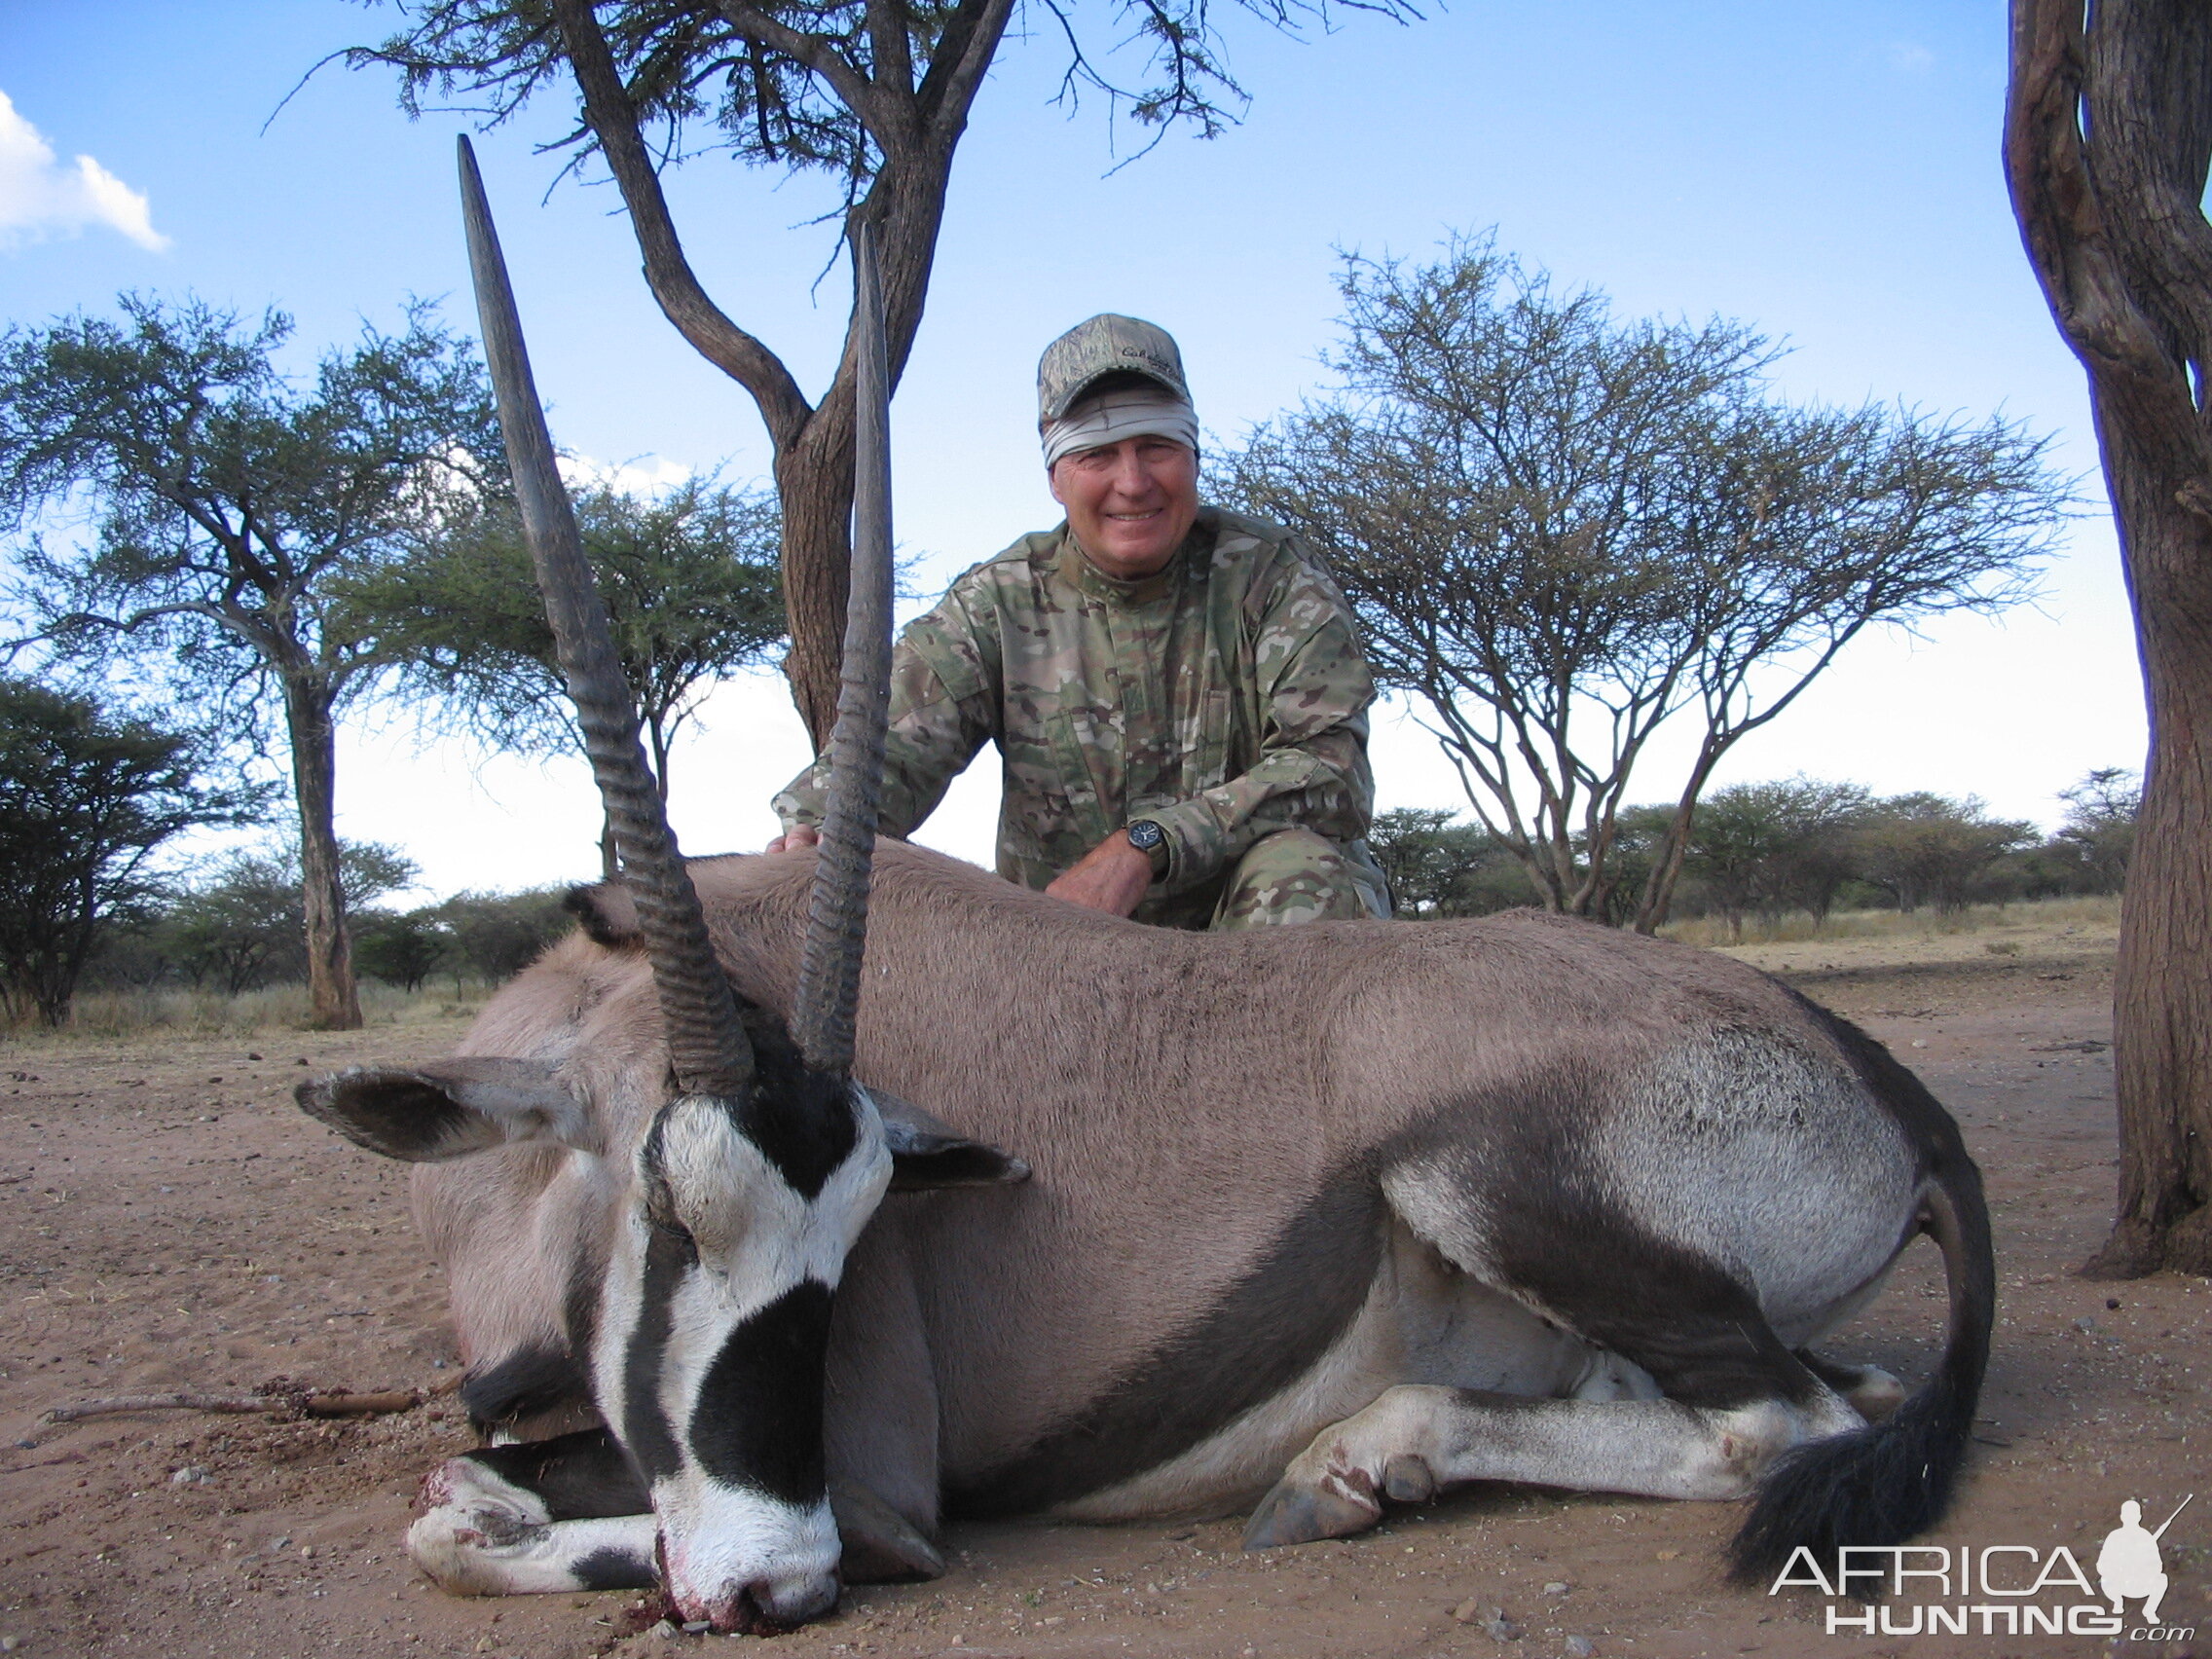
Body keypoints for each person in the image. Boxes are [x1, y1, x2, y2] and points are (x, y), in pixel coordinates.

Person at [768, 313, 1388, 930]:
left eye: (1157, 447)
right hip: (1064, 956)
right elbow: (890, 748)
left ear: (1193, 457)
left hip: (1246, 949)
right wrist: (820, 825)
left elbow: (1331, 771)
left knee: (1306, 868)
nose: (1134, 482)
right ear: (1056, 479)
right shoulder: (997, 602)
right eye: (1096, 454)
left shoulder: (1275, 576)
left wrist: (1147, 846)